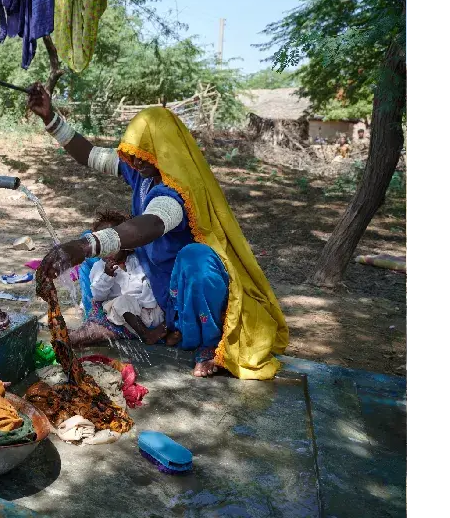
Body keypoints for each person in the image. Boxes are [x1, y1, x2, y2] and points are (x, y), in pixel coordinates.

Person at [27, 84, 289, 379]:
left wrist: (83, 245)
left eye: (143, 155)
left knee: (196, 259)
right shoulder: (138, 170)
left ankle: (209, 344)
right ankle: (100, 323)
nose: (135, 161)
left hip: (181, 288)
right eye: (132, 153)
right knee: (98, 255)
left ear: (163, 153)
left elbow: (153, 223)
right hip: (149, 279)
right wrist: (50, 117)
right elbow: (89, 154)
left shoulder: (178, 187)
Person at [74, 209, 181, 347]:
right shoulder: (100, 268)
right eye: (103, 247)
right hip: (130, 320)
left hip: (154, 312)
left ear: (128, 246)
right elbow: (98, 295)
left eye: (112, 245)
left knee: (175, 297)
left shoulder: (138, 259)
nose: (107, 251)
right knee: (121, 302)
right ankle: (147, 335)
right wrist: (107, 276)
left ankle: (169, 329)